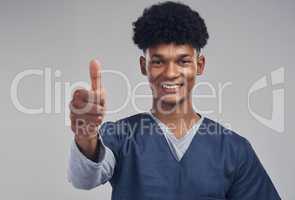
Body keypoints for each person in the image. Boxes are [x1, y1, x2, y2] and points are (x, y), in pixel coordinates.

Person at [68, 1, 281, 199]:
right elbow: (84, 179)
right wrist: (86, 136)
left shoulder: (234, 149)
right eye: (159, 61)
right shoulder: (119, 137)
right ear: (144, 66)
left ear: (200, 65)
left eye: (183, 61)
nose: (170, 73)